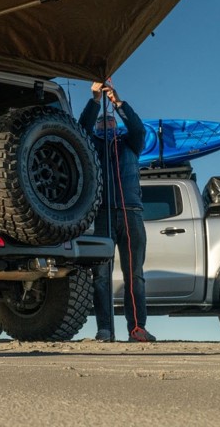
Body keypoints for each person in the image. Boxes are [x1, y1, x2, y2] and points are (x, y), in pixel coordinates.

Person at [79, 81, 155, 343]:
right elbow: (82, 128)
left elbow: (137, 126)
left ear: (116, 125)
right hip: (103, 215)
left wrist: (116, 101)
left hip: (131, 213)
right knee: (101, 275)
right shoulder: (91, 145)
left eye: (109, 122)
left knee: (134, 274)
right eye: (102, 123)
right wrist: (94, 99)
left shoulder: (131, 143)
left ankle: (137, 328)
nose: (105, 125)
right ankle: (105, 330)